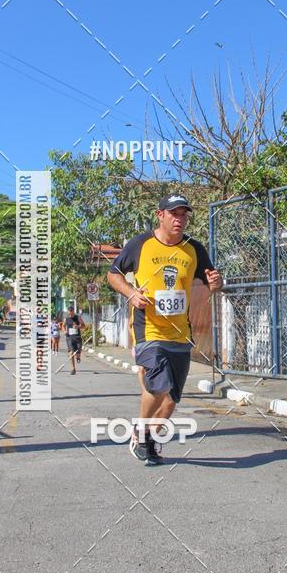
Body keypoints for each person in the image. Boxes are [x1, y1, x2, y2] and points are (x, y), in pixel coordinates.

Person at [108, 193, 223, 465]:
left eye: (184, 215)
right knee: (159, 386)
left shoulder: (194, 249)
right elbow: (113, 274)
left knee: (171, 399)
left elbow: (212, 282)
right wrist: (131, 293)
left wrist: (217, 283)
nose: (179, 219)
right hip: (149, 329)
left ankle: (149, 439)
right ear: (160, 215)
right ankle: (139, 430)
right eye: (174, 214)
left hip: (180, 332)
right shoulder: (140, 244)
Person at [64, 306, 85, 374]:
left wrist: (78, 326)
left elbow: (84, 326)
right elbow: (63, 326)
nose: (70, 314)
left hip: (77, 337)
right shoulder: (66, 319)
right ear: (68, 312)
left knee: (78, 352)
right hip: (69, 338)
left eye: (72, 313)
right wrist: (64, 331)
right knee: (71, 352)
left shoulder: (78, 317)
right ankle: (73, 369)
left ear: (73, 311)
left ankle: (78, 356)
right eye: (69, 313)